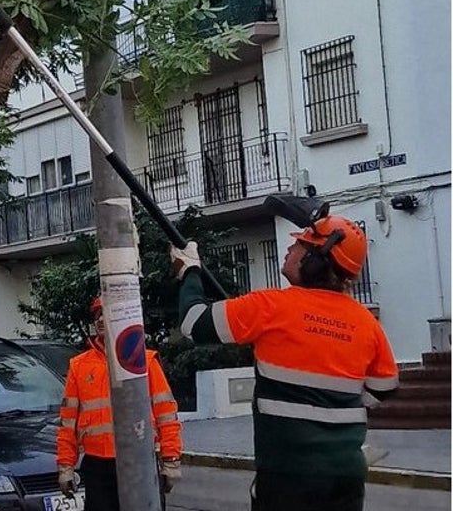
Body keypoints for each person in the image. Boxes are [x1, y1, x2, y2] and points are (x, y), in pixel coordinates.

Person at [170, 214, 399, 511]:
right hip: (346, 473)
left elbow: (192, 322)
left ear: (316, 261)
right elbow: (384, 387)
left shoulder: (270, 307)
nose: (290, 250)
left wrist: (189, 271)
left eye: (300, 246)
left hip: (287, 477)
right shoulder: (366, 322)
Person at [57, 296, 183, 511]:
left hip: (139, 461)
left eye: (105, 315)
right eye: (97, 315)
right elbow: (68, 423)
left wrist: (170, 460)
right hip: (98, 465)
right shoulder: (79, 366)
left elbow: (166, 414)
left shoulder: (144, 360)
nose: (100, 320)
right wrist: (66, 466)